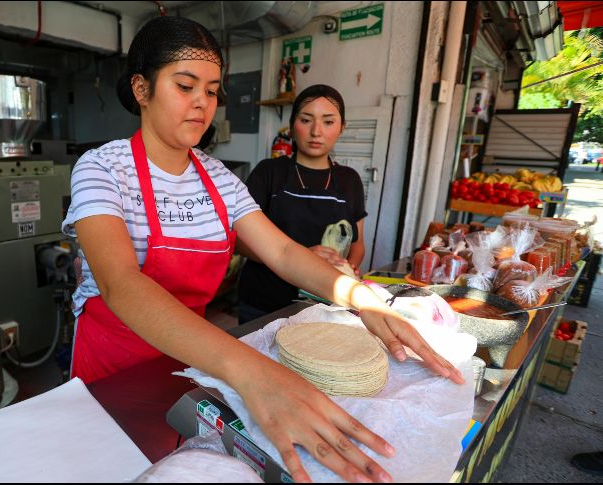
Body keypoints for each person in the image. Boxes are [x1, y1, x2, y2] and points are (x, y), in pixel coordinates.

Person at [62, 16, 463, 483]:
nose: (201, 103)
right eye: (185, 85)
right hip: (112, 370)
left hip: (193, 359)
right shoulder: (101, 168)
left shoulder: (218, 178)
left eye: (212, 91)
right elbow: (121, 284)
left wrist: (362, 298)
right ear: (141, 88)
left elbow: (285, 253)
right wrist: (252, 373)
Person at [237, 84, 366, 324]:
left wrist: (347, 266)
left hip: (324, 305)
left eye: (328, 122)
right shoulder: (269, 172)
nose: (316, 131)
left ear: (342, 127)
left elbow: (358, 244)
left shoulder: (350, 181)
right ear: (293, 124)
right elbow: (239, 242)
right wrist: (302, 258)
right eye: (306, 120)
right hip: (263, 303)